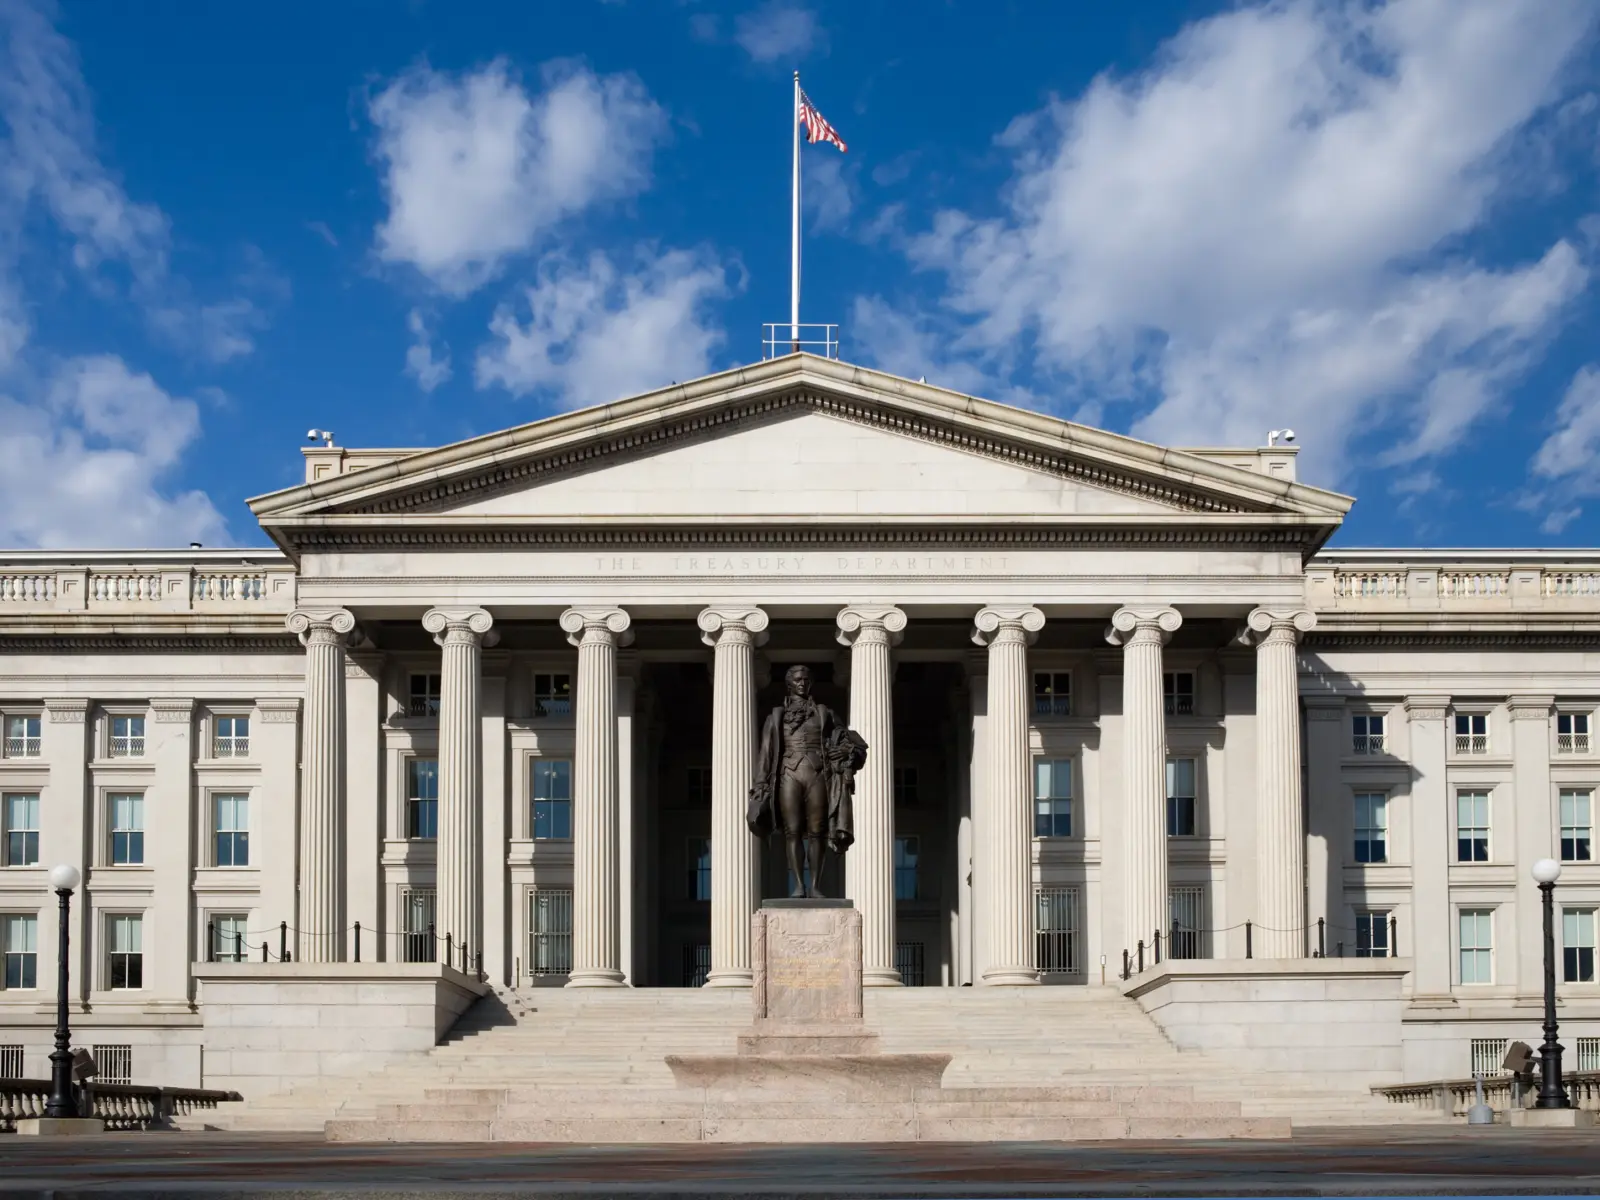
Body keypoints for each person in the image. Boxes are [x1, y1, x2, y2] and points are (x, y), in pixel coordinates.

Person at [748, 664, 866, 898]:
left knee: (817, 831)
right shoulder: (775, 716)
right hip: (787, 774)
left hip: (817, 773)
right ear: (789, 684)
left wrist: (846, 751)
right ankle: (799, 886)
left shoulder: (825, 713)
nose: (802, 683)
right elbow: (766, 754)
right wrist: (760, 785)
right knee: (791, 831)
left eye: (806, 679)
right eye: (798, 679)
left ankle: (814, 886)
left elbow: (851, 741)